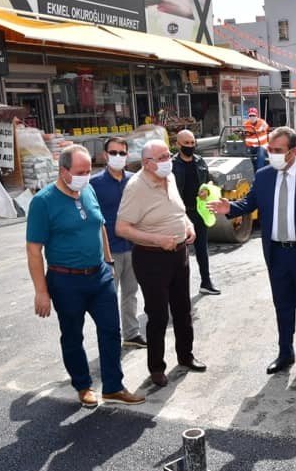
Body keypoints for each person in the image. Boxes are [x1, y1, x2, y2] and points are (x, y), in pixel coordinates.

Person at [209, 126, 296, 378]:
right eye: (270, 150)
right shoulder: (265, 175)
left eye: (278, 151)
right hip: (276, 253)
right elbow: (250, 202)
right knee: (283, 306)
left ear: (292, 151)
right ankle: (285, 353)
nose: (272, 155)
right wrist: (229, 207)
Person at [25, 144, 145, 407]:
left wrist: (109, 261)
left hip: (100, 276)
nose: (86, 175)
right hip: (66, 280)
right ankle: (82, 385)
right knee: (72, 335)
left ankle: (113, 387)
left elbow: (100, 224)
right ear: (63, 170)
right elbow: (34, 250)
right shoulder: (43, 202)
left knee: (111, 330)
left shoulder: (87, 189)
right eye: (80, 171)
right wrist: (41, 291)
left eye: (89, 170)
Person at [116, 139, 206, 388]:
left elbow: (179, 211)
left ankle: (185, 356)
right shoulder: (135, 187)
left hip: (179, 254)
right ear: (147, 163)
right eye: (163, 157)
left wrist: (188, 226)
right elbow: (121, 228)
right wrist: (156, 239)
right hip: (151, 257)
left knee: (183, 310)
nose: (169, 160)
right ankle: (156, 367)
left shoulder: (171, 178)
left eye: (169, 155)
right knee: (157, 315)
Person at [91, 136, 146, 349]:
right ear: (105, 155)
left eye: (121, 153)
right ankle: (110, 338)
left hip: (133, 248)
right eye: (113, 153)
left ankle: (131, 334)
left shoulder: (135, 180)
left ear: (127, 155)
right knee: (107, 299)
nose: (117, 157)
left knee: (131, 294)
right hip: (109, 251)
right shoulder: (94, 184)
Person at [172, 129, 220, 295]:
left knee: (202, 249)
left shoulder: (200, 161)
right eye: (187, 143)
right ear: (178, 144)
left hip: (199, 212)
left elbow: (210, 181)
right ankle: (179, 290)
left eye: (193, 143)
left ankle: (206, 282)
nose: (190, 146)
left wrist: (206, 190)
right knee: (180, 253)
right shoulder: (172, 165)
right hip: (180, 215)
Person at [243, 107, 270, 172]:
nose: (252, 117)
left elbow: (264, 126)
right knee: (241, 152)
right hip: (250, 146)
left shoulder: (262, 122)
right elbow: (243, 131)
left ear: (257, 116)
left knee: (260, 153)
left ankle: (259, 172)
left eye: (253, 115)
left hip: (262, 146)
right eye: (250, 115)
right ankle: (246, 172)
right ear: (248, 116)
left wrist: (260, 130)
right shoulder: (246, 124)